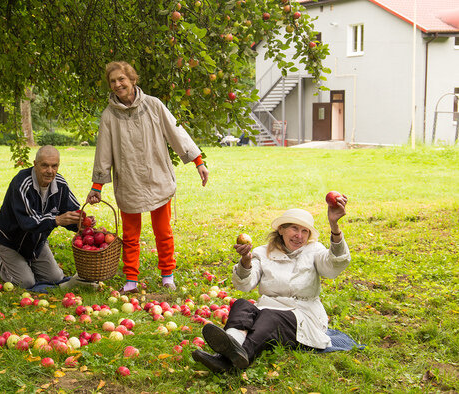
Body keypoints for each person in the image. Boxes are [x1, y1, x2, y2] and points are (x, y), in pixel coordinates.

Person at [86, 61, 209, 294]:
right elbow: (103, 151)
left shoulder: (153, 105)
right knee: (130, 235)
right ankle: (131, 280)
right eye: (113, 81)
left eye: (121, 79)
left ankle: (167, 277)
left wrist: (198, 161)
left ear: (132, 79)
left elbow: (176, 133)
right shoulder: (109, 116)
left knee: (163, 232)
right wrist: (97, 186)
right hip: (129, 179)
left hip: (157, 177)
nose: (117, 84)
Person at [192, 195, 350, 373]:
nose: (299, 236)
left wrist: (335, 227)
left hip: (302, 315)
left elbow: (334, 266)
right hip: (267, 310)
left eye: (304, 231)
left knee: (270, 317)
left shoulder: (315, 251)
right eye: (294, 228)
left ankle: (235, 357)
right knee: (242, 304)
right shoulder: (262, 252)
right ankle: (229, 350)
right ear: (281, 230)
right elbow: (244, 284)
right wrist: (245, 260)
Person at [0, 145, 87, 289]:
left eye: (54, 166)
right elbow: (28, 223)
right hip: (9, 241)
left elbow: (71, 213)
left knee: (55, 278)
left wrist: (82, 224)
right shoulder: (22, 183)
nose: (50, 171)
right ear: (35, 164)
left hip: (36, 242)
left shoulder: (60, 184)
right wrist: (57, 220)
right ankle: (2, 264)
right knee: (26, 282)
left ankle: (24, 263)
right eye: (45, 165)